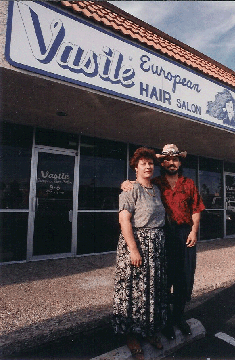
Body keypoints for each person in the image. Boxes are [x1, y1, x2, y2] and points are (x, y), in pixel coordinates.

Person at [121, 144, 205, 340]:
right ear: (162, 163)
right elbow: (138, 185)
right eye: (167, 159)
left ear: (179, 162)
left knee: (184, 279)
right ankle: (166, 322)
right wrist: (125, 183)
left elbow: (196, 209)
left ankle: (178, 317)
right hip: (163, 234)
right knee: (164, 280)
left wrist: (194, 231)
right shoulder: (156, 183)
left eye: (175, 159)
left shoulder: (189, 183)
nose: (171, 162)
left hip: (185, 235)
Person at [113, 147, 168, 360]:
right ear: (135, 167)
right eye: (143, 163)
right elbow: (124, 220)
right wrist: (134, 250)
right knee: (133, 293)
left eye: (150, 163)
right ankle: (132, 337)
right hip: (137, 245)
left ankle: (149, 331)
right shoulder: (130, 190)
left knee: (151, 292)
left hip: (156, 247)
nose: (148, 166)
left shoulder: (157, 189)